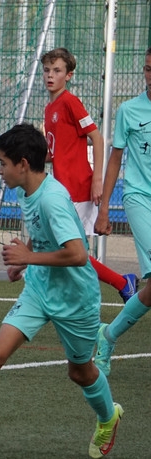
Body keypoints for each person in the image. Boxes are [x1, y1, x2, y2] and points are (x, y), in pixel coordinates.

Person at [0, 123, 122, 459]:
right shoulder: (25, 190)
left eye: (3, 163)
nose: (0, 171)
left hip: (75, 299)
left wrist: (27, 258)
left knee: (80, 372)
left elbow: (77, 254)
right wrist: (26, 258)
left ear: (24, 164)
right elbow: (42, 230)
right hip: (39, 290)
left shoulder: (53, 199)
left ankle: (108, 417)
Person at [42, 47, 139, 302]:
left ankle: (122, 284)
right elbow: (54, 153)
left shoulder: (70, 102)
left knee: (73, 250)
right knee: (68, 248)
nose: (50, 75)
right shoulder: (49, 108)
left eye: (57, 70)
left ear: (69, 75)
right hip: (62, 187)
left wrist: (97, 179)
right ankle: (120, 284)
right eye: (47, 70)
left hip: (77, 186)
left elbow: (97, 137)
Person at [92, 47, 151, 376]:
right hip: (139, 198)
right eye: (147, 69)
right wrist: (104, 209)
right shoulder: (129, 110)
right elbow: (115, 159)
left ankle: (108, 334)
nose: (150, 76)